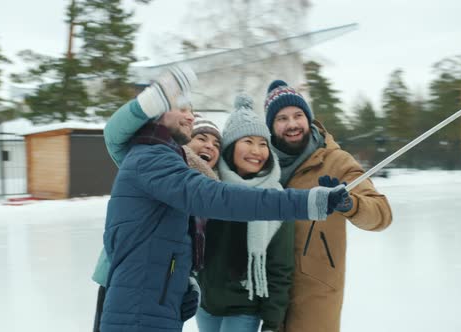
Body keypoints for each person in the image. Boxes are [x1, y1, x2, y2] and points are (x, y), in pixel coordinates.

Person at [98, 66, 349, 332]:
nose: (190, 117)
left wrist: (184, 279)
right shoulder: (152, 159)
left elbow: (169, 236)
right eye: (181, 108)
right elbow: (221, 198)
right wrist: (306, 202)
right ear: (157, 112)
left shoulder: (163, 160)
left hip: (155, 301)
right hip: (139, 309)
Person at [263, 80, 393, 332]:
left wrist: (349, 204)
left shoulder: (335, 161)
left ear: (308, 119)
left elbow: (381, 214)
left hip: (316, 289)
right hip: (264, 289)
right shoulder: (260, 162)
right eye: (282, 118)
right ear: (271, 125)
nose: (292, 124)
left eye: (298, 115)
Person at [91, 111, 222, 332]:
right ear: (185, 138)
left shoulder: (207, 190)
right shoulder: (150, 162)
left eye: (216, 143)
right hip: (122, 282)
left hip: (166, 290)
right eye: (202, 138)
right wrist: (151, 101)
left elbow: (189, 245)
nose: (210, 146)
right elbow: (113, 133)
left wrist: (190, 283)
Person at [195, 93, 294, 332]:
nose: (257, 151)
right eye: (247, 141)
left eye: (263, 144)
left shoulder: (275, 199)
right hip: (205, 306)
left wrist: (272, 322)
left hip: (244, 310)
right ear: (230, 147)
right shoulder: (210, 188)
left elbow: (280, 268)